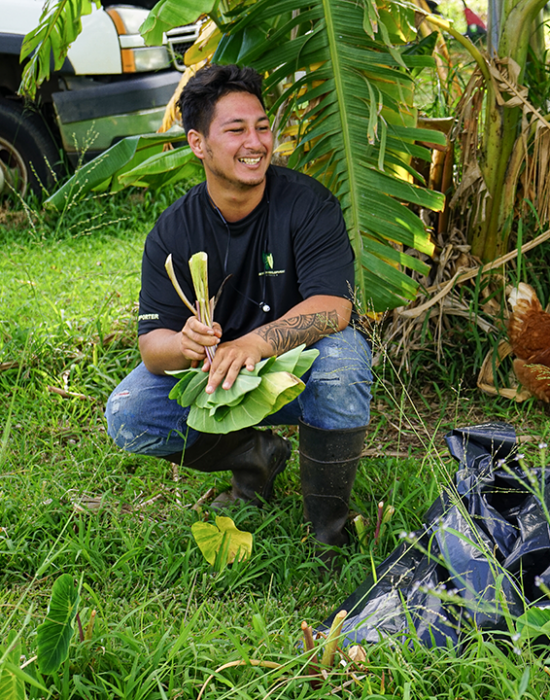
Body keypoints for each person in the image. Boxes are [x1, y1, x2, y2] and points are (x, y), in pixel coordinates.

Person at [105, 63, 372, 558]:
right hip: (224, 381)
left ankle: (329, 531)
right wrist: (183, 344)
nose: (256, 142)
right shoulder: (173, 231)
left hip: (297, 372)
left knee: (344, 360)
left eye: (262, 127)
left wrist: (254, 343)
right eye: (236, 130)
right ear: (197, 143)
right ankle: (256, 457)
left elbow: (334, 309)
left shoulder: (308, 205)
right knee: (130, 412)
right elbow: (151, 349)